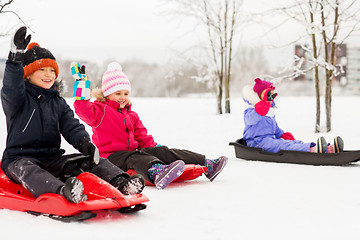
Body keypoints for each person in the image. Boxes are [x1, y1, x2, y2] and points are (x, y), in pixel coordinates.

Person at [1, 27, 145, 204]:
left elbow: (72, 126)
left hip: (52, 159)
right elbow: (11, 86)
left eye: (52, 71)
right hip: (19, 159)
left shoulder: (57, 102)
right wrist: (15, 59)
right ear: (28, 74)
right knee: (29, 170)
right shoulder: (18, 100)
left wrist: (85, 143)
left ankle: (121, 182)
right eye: (42, 70)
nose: (49, 75)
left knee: (91, 161)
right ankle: (63, 191)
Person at [73, 62, 228, 189]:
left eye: (126, 94)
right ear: (107, 94)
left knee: (162, 151)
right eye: (117, 93)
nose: (122, 98)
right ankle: (156, 171)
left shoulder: (131, 115)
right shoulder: (100, 112)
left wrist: (156, 150)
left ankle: (207, 163)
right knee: (135, 157)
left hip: (132, 153)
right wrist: (82, 83)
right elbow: (81, 108)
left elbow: (142, 136)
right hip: (111, 157)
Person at [242, 78, 344, 153]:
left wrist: (281, 134)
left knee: (293, 143)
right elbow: (251, 120)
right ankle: (312, 150)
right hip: (257, 143)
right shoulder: (250, 110)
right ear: (259, 95)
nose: (270, 96)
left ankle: (327, 149)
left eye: (271, 93)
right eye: (267, 93)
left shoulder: (269, 111)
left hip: (270, 140)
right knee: (283, 145)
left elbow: (274, 128)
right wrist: (261, 108)